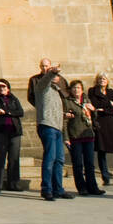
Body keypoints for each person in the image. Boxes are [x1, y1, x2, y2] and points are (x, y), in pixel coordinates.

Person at [28, 58, 73, 200]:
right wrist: (52, 72)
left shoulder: (57, 91)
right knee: (50, 157)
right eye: (54, 77)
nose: (56, 79)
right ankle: (46, 189)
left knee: (59, 159)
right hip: (47, 125)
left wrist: (64, 114)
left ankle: (58, 188)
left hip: (58, 127)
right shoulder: (41, 87)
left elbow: (56, 107)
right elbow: (45, 80)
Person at [87, 73, 113, 185]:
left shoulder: (111, 92)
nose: (102, 80)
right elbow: (95, 105)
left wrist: (104, 108)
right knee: (102, 149)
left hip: (110, 121)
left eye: (104, 79)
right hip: (99, 122)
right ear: (97, 80)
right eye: (100, 79)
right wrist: (109, 104)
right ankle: (105, 176)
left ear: (108, 81)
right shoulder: (92, 91)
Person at [66, 80, 104, 196]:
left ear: (82, 90)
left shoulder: (87, 100)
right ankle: (81, 187)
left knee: (90, 163)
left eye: (78, 88)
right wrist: (66, 137)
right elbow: (65, 121)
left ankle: (93, 187)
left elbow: (95, 117)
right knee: (78, 163)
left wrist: (93, 110)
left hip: (88, 135)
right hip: (75, 135)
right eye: (74, 88)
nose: (76, 90)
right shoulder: (68, 102)